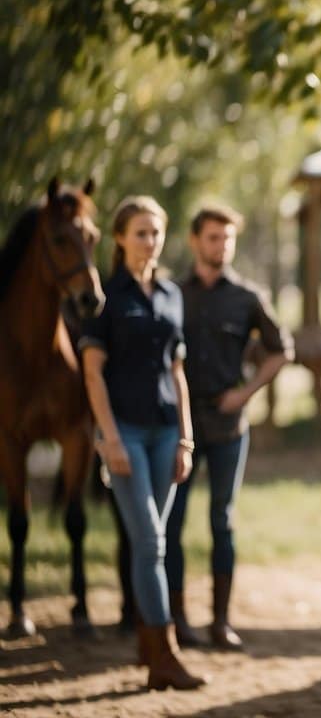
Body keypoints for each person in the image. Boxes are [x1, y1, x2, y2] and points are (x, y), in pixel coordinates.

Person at [80, 196, 207, 690]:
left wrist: (186, 438)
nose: (150, 241)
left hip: (165, 434)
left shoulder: (172, 294)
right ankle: (164, 656)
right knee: (150, 541)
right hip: (124, 433)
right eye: (140, 233)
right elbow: (92, 375)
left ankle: (149, 646)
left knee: (152, 542)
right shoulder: (105, 298)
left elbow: (178, 372)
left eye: (156, 232)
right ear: (119, 239)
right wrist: (108, 439)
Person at [166, 205, 294, 650]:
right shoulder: (170, 294)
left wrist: (246, 393)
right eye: (213, 238)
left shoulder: (247, 296)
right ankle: (177, 620)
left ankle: (221, 622)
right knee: (172, 522)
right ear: (194, 240)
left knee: (222, 520)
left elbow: (281, 351)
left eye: (228, 238)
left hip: (227, 426)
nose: (221, 246)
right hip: (177, 427)